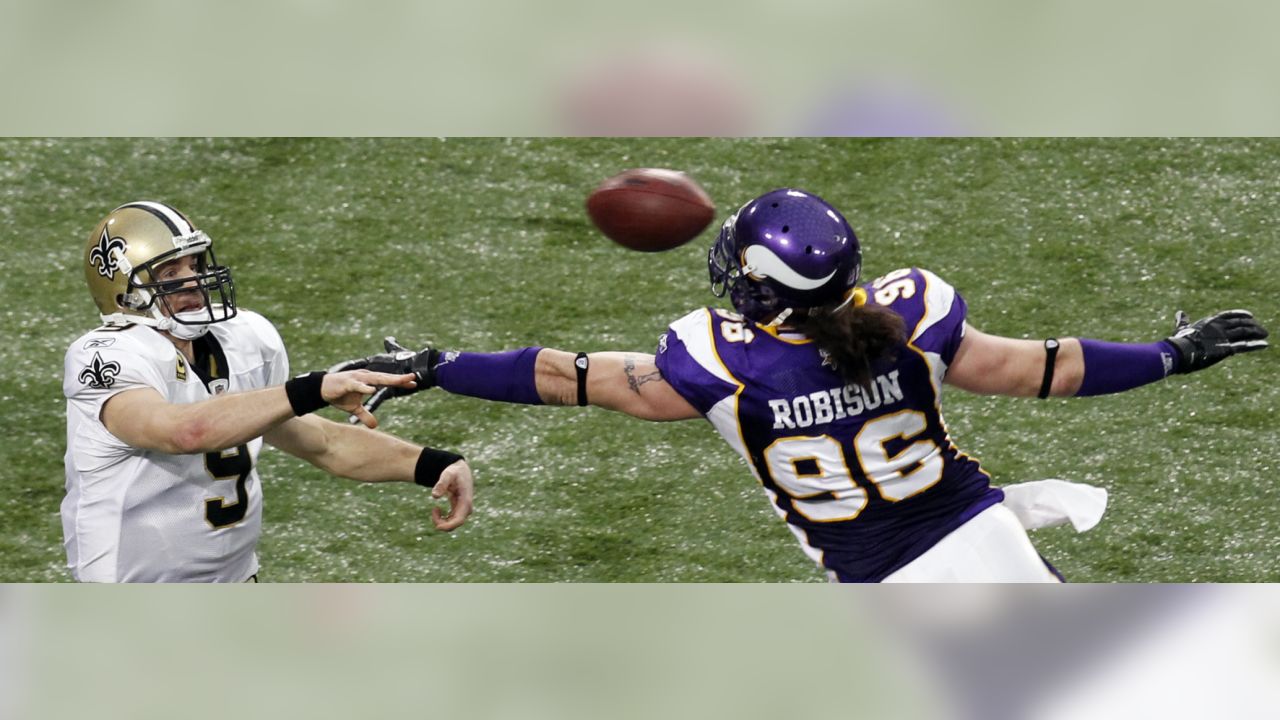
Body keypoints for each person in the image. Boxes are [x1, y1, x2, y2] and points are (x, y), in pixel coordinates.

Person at [342, 189, 1268, 582]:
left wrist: (434, 367)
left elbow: (563, 377)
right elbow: (1047, 367)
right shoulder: (910, 313)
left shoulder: (714, 363)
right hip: (985, 541)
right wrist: (1171, 354)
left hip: (885, 581)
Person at [63, 201, 474, 583]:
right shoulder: (104, 357)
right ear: (123, 291)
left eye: (194, 264)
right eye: (171, 273)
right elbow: (182, 432)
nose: (193, 281)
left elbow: (324, 443)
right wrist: (312, 388)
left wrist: (433, 464)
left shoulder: (242, 338)